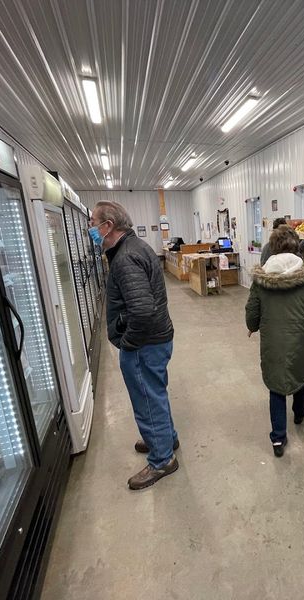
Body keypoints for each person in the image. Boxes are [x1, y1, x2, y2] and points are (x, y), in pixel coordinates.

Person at [89, 201, 180, 490]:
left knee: (147, 399)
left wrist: (128, 343)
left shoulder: (125, 257)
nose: (91, 229)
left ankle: (162, 459)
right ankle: (166, 438)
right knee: (155, 392)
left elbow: (141, 310)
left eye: (94, 223)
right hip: (156, 338)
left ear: (108, 225)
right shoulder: (136, 247)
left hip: (144, 343)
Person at [245, 226, 304, 457]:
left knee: (276, 386)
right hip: (301, 339)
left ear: (273, 246)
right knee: (299, 374)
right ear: (295, 245)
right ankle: (299, 412)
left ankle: (278, 438)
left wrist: (252, 326)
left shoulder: (262, 278)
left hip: (273, 342)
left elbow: (252, 308)